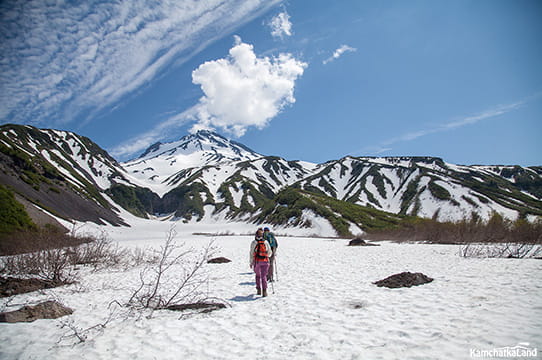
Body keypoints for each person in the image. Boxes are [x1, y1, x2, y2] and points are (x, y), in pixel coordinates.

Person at [249, 228, 272, 297]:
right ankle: (264, 291)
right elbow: (269, 252)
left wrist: (251, 262)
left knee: (258, 275)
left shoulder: (253, 242)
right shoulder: (266, 242)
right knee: (264, 276)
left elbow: (251, 253)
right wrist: (266, 256)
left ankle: (258, 289)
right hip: (265, 261)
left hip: (257, 261)